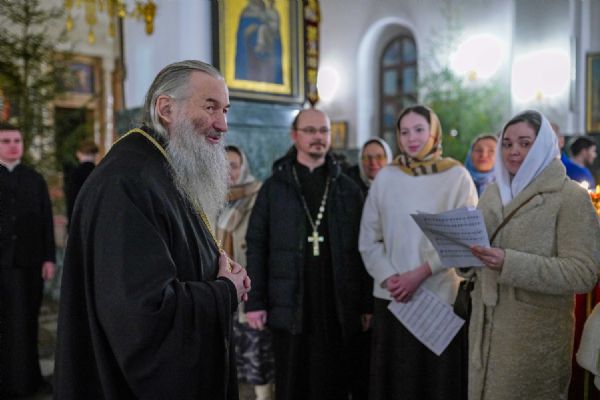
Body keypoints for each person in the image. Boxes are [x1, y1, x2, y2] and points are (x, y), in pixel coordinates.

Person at [54, 60, 251, 399]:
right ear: (166, 109)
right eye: (210, 107)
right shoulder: (126, 182)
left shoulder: (163, 166)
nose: (223, 124)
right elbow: (142, 316)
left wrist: (214, 265)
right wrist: (224, 291)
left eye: (225, 109)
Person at [467, 110, 600, 400]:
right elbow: (480, 248)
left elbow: (583, 273)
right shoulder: (493, 193)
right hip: (484, 330)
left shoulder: (570, 197)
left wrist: (509, 262)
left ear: (543, 146)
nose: (513, 151)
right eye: (507, 143)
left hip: (532, 337)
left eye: (525, 143)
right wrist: (464, 258)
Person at [245, 108, 372, 400]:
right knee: (293, 381)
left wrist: (366, 303)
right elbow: (256, 244)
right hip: (289, 303)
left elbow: (362, 249)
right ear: (295, 135)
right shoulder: (274, 188)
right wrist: (255, 301)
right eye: (310, 131)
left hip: (337, 304)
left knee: (335, 382)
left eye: (324, 131)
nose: (318, 137)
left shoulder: (347, 189)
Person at [359, 105, 477, 400]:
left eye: (419, 130)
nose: (411, 138)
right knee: (395, 381)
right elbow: (368, 238)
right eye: (404, 132)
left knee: (436, 383)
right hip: (393, 297)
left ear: (434, 133)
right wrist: (390, 278)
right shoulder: (386, 177)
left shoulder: (456, 176)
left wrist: (421, 272)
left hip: (439, 295)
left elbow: (464, 237)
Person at [0, 123, 56, 397]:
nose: (13, 146)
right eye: (6, 141)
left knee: (27, 322)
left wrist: (49, 258)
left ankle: (28, 380)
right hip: (1, 263)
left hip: (30, 263)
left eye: (17, 141)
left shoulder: (35, 179)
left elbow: (46, 220)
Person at [217, 145, 275, 400]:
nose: (228, 171)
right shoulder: (210, 197)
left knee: (256, 358)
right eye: (223, 165)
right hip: (220, 288)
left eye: (234, 165)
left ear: (243, 168)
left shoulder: (257, 196)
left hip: (248, 288)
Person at [64, 139, 99, 223]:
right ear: (95, 154)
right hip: (96, 217)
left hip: (79, 217)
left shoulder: (74, 174)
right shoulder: (100, 172)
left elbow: (71, 199)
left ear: (78, 154)